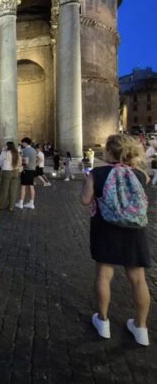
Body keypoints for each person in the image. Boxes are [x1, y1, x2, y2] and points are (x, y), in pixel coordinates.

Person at [81, 134, 151, 346]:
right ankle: (141, 328)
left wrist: (89, 184)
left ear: (109, 151)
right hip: (133, 230)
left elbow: (85, 201)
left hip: (106, 228)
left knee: (104, 274)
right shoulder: (139, 174)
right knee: (138, 279)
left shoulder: (97, 173)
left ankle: (103, 322)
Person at [0, 141, 22, 211]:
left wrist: (3, 165)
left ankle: (1, 205)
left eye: (5, 145)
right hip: (16, 172)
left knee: (4, 190)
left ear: (7, 146)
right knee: (13, 190)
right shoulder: (17, 153)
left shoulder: (5, 152)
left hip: (6, 172)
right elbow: (20, 162)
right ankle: (11, 206)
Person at [15, 137, 37, 210]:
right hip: (32, 170)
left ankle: (21, 203)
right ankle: (31, 203)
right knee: (31, 186)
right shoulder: (34, 150)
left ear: (25, 143)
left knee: (23, 186)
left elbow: (26, 162)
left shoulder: (26, 150)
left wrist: (21, 163)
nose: (22, 144)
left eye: (22, 143)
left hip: (26, 170)